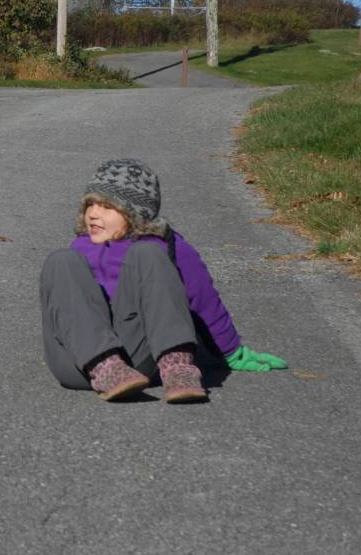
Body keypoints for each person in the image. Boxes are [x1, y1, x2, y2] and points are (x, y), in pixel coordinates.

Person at [40, 158, 287, 402]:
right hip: (78, 363)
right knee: (60, 261)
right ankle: (105, 367)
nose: (93, 214)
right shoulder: (80, 247)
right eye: (90, 205)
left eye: (106, 207)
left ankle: (176, 366)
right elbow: (68, 311)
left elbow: (203, 301)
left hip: (138, 359)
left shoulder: (166, 246)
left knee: (147, 254)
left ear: (134, 213)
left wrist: (232, 352)